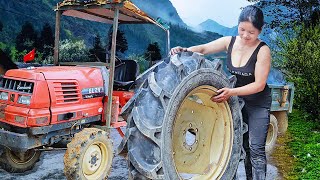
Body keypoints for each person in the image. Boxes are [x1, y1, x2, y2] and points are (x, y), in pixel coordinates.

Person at [170, 5, 271, 180]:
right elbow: (203, 49)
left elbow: (259, 85)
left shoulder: (263, 50)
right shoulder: (229, 42)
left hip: (257, 103)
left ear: (260, 31)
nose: (246, 36)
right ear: (238, 26)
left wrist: (231, 91)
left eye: (251, 32)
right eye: (242, 30)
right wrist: (185, 50)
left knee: (255, 148)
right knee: (238, 146)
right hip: (235, 100)